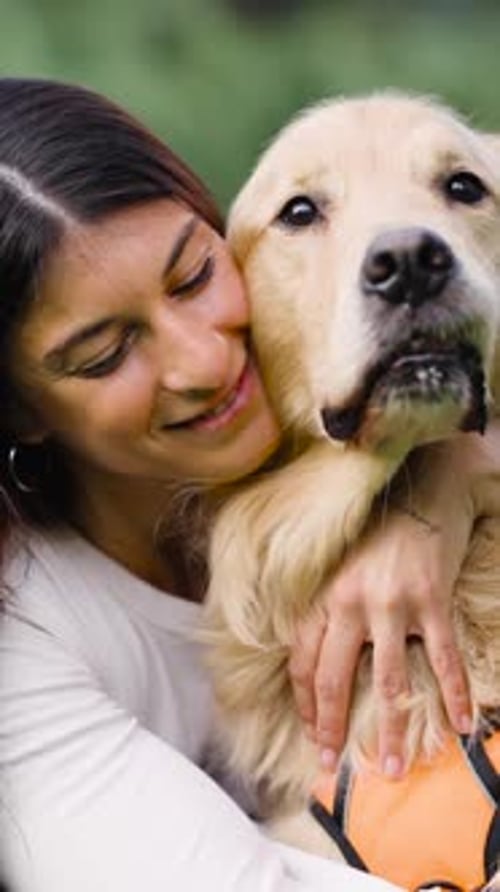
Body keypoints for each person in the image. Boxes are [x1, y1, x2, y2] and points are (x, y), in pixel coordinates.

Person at [0, 76, 498, 892]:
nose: (206, 361)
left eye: (195, 276)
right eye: (102, 353)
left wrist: (443, 478)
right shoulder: (24, 655)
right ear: (19, 410)